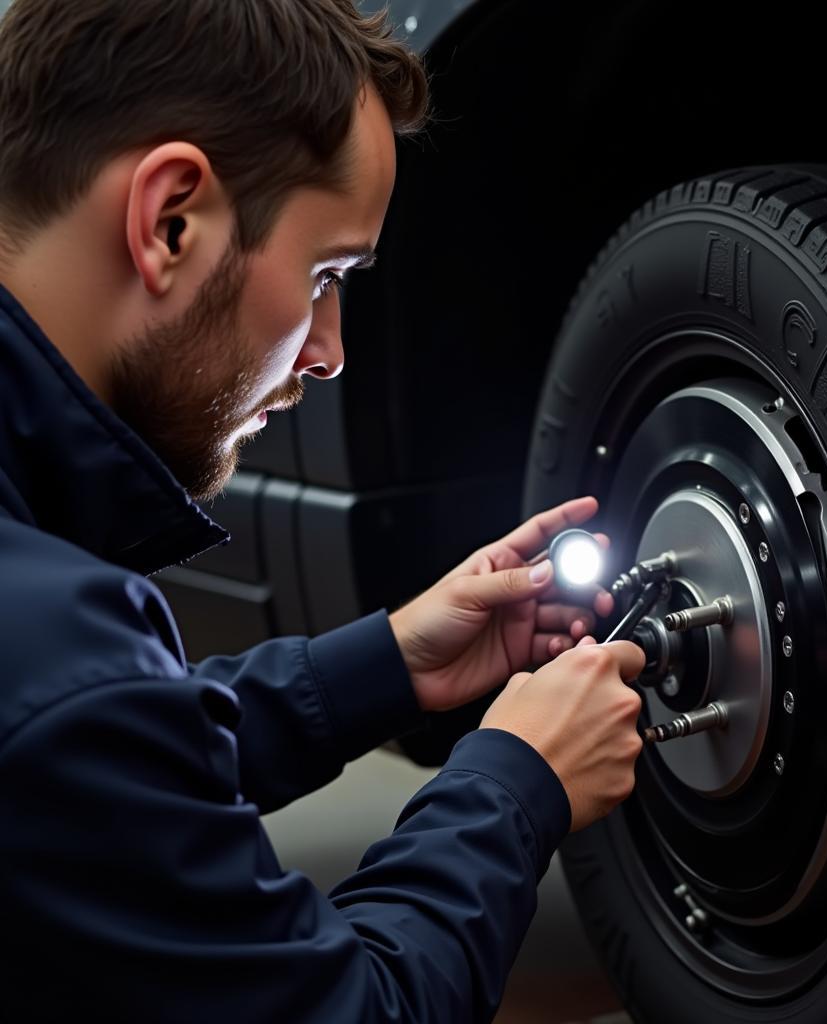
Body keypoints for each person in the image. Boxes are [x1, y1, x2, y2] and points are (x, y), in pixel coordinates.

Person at [0, 1, 647, 1021]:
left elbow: (86, 771)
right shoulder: (53, 641)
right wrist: (515, 781)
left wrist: (388, 663)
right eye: (326, 275)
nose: (330, 348)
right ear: (171, 219)